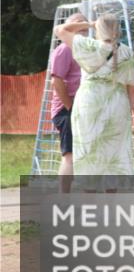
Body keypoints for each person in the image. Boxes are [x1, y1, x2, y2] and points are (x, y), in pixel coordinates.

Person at [55, 13, 134, 190]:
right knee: (114, 151)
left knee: (89, 150)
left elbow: (60, 30)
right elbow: (133, 85)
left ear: (98, 29)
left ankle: (91, 199)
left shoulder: (88, 46)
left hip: (90, 103)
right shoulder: (126, 51)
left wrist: (88, 24)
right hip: (117, 103)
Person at [50, 12, 87, 193]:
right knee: (69, 155)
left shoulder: (88, 47)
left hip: (83, 107)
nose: (82, 26)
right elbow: (56, 81)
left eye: (84, 22)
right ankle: (63, 198)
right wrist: (70, 107)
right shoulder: (65, 49)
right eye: (77, 23)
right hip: (67, 110)